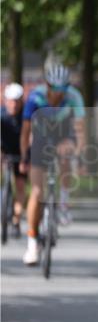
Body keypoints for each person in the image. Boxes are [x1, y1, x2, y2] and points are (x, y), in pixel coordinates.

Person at [20, 64, 86, 265]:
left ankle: (63, 202)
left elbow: (81, 131)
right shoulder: (35, 98)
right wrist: (24, 156)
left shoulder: (74, 97)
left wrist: (80, 156)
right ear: (47, 86)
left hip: (64, 135)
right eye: (56, 89)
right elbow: (25, 131)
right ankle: (32, 242)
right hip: (40, 139)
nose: (59, 94)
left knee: (66, 154)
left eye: (64, 89)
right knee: (37, 193)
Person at [1, 83, 27, 237]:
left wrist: (26, 157)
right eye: (11, 101)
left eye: (17, 101)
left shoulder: (26, 117)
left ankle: (16, 221)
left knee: (20, 186)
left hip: (21, 154)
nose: (14, 104)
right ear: (5, 101)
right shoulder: (1, 115)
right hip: (4, 151)